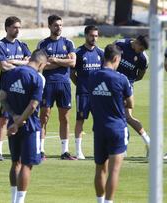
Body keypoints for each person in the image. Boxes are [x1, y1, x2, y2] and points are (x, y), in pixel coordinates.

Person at [0, 49, 47, 203]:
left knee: (15, 163)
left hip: (13, 124)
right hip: (30, 127)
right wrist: (19, 122)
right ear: (41, 63)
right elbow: (33, 105)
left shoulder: (11, 73)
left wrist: (14, 117)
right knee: (27, 165)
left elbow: (2, 98)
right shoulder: (37, 78)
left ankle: (13, 199)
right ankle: (19, 201)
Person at [89, 44, 133, 203]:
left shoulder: (93, 76)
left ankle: (100, 201)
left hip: (99, 128)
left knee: (100, 168)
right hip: (116, 128)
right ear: (116, 58)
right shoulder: (121, 78)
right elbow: (130, 103)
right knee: (114, 170)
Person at [37, 14, 76, 160]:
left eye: (60, 25)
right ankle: (40, 150)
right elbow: (41, 65)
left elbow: (73, 63)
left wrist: (54, 60)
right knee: (44, 117)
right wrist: (62, 61)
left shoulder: (68, 43)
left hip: (64, 84)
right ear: (49, 26)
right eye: (55, 25)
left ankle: (65, 151)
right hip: (47, 85)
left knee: (65, 118)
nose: (58, 28)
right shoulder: (43, 44)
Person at [0, 16, 31, 161]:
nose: (17, 30)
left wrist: (13, 62)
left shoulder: (23, 45)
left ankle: (21, 148)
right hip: (7, 89)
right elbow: (3, 66)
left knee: (23, 117)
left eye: (19, 27)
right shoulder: (1, 45)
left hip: (22, 89)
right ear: (7, 28)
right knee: (3, 119)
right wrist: (21, 64)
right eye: (15, 27)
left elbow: (30, 62)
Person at [70, 25, 104, 159]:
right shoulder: (78, 52)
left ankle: (99, 149)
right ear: (86, 35)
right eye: (91, 35)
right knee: (80, 119)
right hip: (83, 93)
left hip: (98, 94)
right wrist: (80, 84)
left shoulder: (100, 53)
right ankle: (78, 150)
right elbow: (72, 73)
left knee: (99, 121)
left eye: (96, 36)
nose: (94, 38)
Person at [114, 35, 150, 156]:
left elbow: (140, 75)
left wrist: (129, 83)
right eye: (141, 49)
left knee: (127, 117)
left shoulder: (143, 58)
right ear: (137, 43)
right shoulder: (120, 44)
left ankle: (148, 143)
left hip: (126, 87)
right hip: (112, 84)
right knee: (121, 117)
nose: (142, 52)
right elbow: (108, 59)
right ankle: (122, 147)